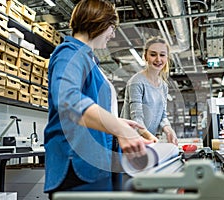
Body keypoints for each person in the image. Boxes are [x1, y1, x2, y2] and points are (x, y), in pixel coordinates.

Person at [43, 0, 151, 198]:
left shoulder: (91, 60)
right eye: (112, 27)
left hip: (96, 162)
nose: (113, 34)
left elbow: (92, 106)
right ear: (99, 22)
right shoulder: (69, 53)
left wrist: (117, 123)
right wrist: (120, 129)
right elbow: (68, 100)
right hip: (77, 166)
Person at [121, 36, 178, 146]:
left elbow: (162, 116)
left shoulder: (164, 86)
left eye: (162, 55)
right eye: (153, 54)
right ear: (145, 57)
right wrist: (151, 139)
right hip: (130, 142)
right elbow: (137, 119)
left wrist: (169, 130)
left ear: (167, 58)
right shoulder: (137, 82)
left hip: (146, 142)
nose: (158, 59)